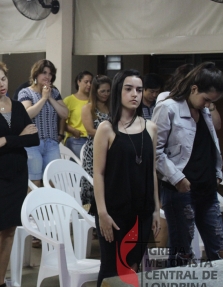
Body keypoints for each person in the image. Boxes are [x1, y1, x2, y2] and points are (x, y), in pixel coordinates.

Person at [0, 60, 39, 287]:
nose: (1, 84)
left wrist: (4, 140)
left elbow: (34, 138)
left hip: (17, 174)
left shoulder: (18, 107)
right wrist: (17, 137)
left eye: (3, 79)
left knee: (10, 231)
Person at [93, 69, 160, 286]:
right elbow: (98, 173)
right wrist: (102, 212)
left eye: (139, 90)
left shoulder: (150, 127)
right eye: (129, 89)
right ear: (118, 92)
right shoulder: (106, 129)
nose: (135, 94)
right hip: (114, 213)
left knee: (131, 267)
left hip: (141, 211)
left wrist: (156, 209)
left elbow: (152, 171)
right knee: (111, 270)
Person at [153, 62, 223, 267]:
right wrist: (178, 178)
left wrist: (217, 173)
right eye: (206, 99)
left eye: (213, 101)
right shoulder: (168, 108)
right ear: (194, 89)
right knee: (182, 251)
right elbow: (154, 151)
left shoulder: (205, 111)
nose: (208, 104)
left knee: (218, 247)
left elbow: (210, 146)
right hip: (180, 191)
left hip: (207, 190)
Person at [18, 59, 68, 188]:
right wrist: (44, 98)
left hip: (51, 143)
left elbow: (65, 114)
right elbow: (27, 114)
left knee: (53, 181)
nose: (47, 76)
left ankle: (51, 208)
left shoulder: (54, 93)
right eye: (44, 73)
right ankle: (32, 208)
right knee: (35, 182)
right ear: (36, 74)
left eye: (50, 74)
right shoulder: (25, 92)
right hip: (33, 143)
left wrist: (50, 97)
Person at [157, 64, 221, 130]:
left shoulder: (203, 109)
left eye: (211, 101)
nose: (207, 105)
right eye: (206, 99)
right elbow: (158, 138)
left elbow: (217, 126)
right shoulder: (168, 106)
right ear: (194, 89)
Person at [80, 75, 111, 209]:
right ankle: (89, 214)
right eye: (102, 91)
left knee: (108, 183)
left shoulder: (113, 107)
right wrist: (108, 134)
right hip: (93, 150)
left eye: (108, 91)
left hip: (110, 149)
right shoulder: (88, 108)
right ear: (95, 91)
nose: (106, 94)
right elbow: (89, 131)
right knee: (90, 185)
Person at [61, 71, 93, 158]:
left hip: (93, 138)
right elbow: (61, 122)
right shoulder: (69, 100)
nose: (89, 85)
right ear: (79, 82)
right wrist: (74, 131)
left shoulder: (93, 101)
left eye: (91, 82)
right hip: (77, 139)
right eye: (86, 82)